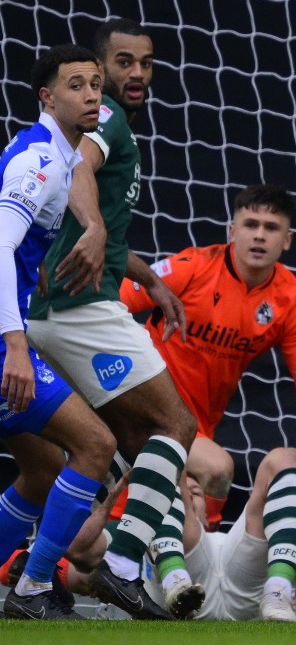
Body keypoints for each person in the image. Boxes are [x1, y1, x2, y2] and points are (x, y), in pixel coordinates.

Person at [117, 183, 296, 605]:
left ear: (287, 240)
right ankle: (173, 573)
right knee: (212, 468)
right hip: (140, 411)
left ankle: (191, 578)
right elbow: (111, 304)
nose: (259, 235)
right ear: (232, 231)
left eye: (271, 227)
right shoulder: (191, 268)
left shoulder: (287, 300)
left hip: (196, 428)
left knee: (96, 553)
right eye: (250, 224)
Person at [25, 19, 198, 620]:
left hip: (57, 309)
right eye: (122, 63)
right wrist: (95, 227)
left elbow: (91, 225)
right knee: (174, 427)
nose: (136, 75)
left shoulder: (104, 126)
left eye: (145, 63)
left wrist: (146, 276)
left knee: (96, 451)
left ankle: (36, 577)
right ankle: (122, 567)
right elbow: (79, 173)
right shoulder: (105, 123)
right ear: (97, 74)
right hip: (80, 311)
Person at [0, 44, 117, 619]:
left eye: (96, 83)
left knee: (44, 465)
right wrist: (15, 343)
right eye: (76, 85)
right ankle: (31, 588)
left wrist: (35, 262)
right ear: (46, 97)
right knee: (95, 445)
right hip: (0, 345)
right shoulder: (41, 160)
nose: (92, 94)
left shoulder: (59, 157)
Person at [66, 449, 296, 622]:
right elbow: (79, 554)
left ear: (206, 511)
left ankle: (278, 590)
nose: (188, 498)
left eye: (195, 495)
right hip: (174, 595)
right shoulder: (135, 535)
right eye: (184, 495)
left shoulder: (237, 539)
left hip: (249, 586)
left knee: (286, 459)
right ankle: (174, 578)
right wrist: (110, 498)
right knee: (165, 468)